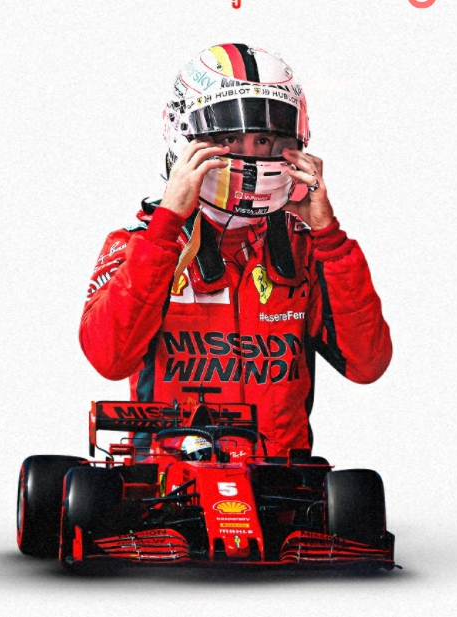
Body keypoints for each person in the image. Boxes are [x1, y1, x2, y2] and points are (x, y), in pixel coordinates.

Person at [79, 43, 392, 457]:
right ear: (184, 139)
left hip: (280, 481)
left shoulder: (307, 247)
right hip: (168, 478)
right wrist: (166, 226)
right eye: (229, 138)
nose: (250, 155)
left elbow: (367, 364)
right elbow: (109, 359)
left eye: (264, 139)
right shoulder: (139, 243)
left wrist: (329, 237)